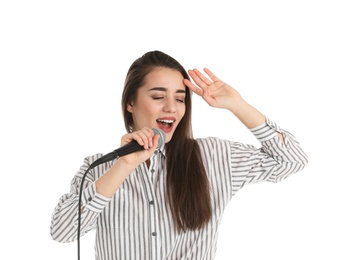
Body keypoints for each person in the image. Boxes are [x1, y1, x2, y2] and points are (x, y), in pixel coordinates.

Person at [50, 50, 308, 260]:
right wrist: (124, 165)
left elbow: (291, 160)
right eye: (158, 96)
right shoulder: (100, 169)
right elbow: (63, 232)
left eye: (180, 98)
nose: (171, 107)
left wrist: (237, 105)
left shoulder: (213, 157)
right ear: (130, 102)